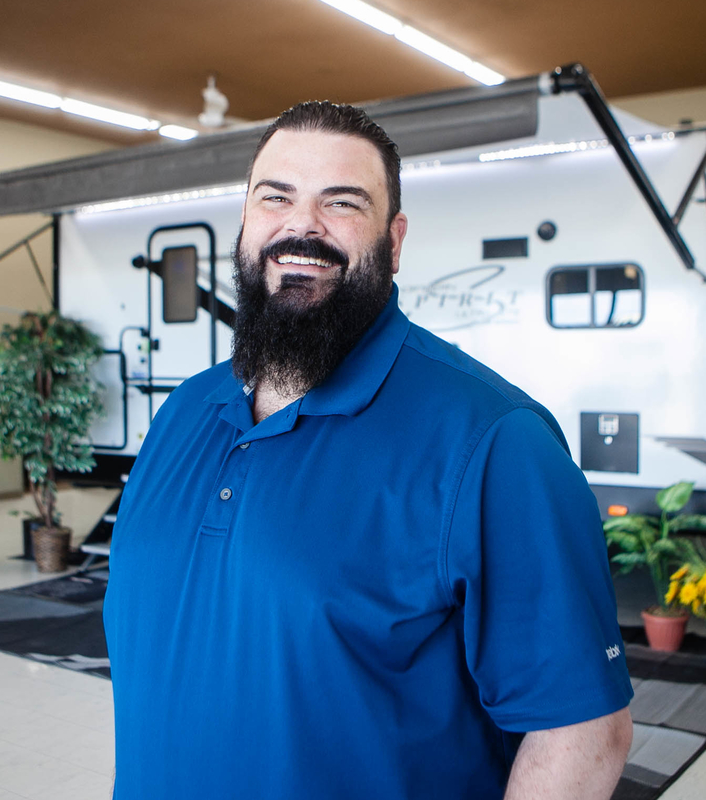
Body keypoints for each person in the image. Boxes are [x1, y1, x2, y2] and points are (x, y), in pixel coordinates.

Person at [103, 101, 634, 799]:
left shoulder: (493, 441)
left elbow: (584, 731)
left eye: (342, 202)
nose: (301, 226)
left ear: (394, 238)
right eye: (276, 197)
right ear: (245, 221)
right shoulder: (183, 413)